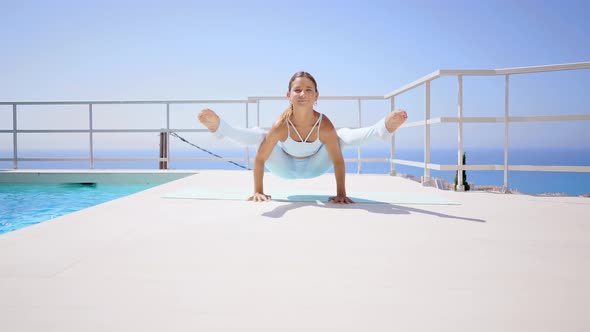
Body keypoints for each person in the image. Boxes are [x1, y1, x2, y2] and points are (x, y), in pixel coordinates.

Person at [198, 71, 407, 203]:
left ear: (316, 96)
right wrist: (258, 191)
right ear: (288, 95)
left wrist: (341, 193)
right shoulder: (281, 125)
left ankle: (382, 128)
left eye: (308, 90)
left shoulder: (323, 124)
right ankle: (221, 128)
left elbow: (337, 160)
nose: (302, 94)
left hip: (315, 166)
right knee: (261, 137)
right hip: (284, 167)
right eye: (297, 90)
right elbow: (261, 158)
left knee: (340, 137)